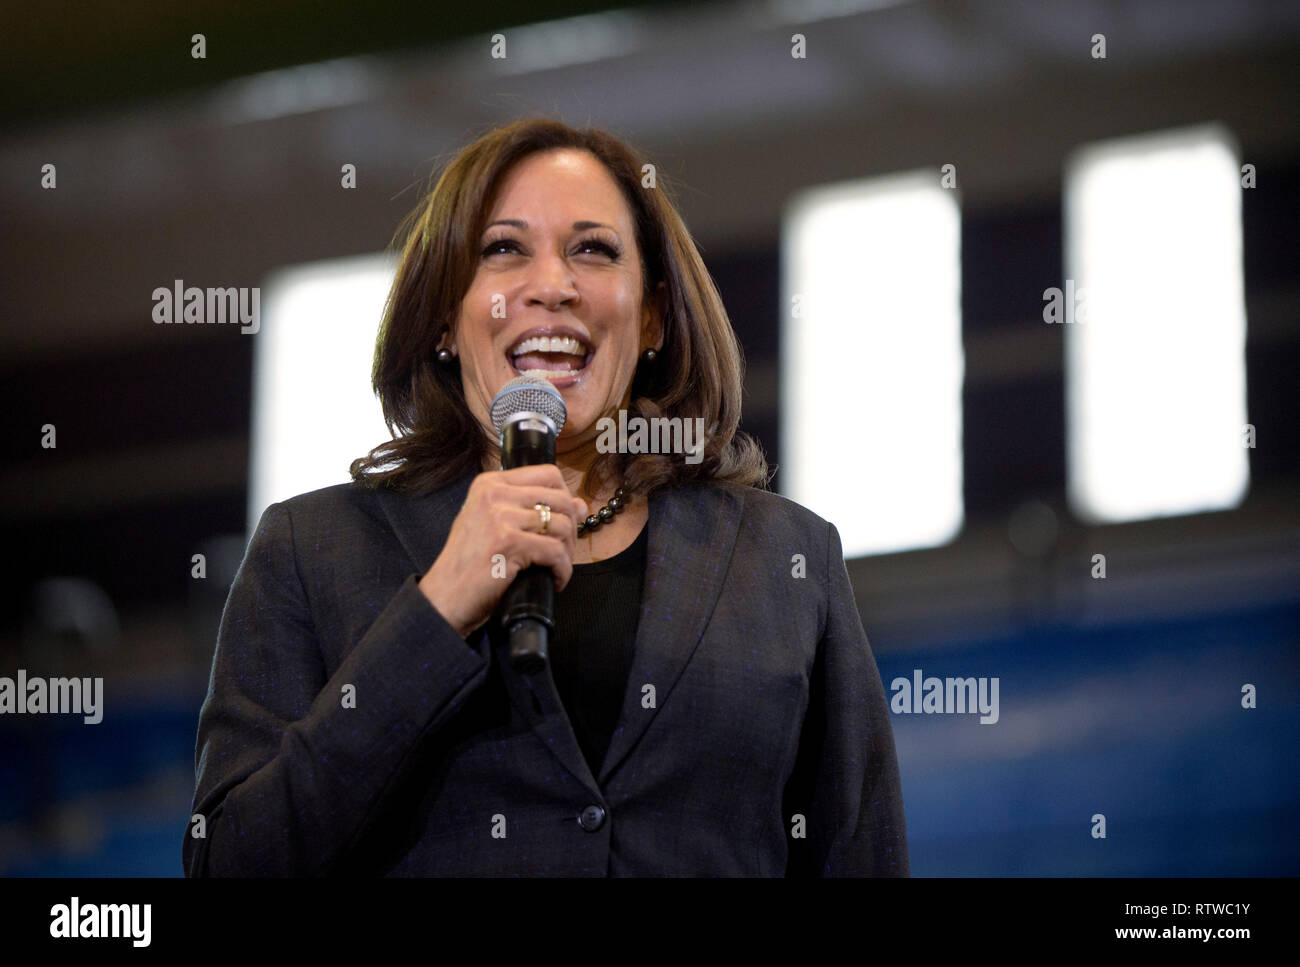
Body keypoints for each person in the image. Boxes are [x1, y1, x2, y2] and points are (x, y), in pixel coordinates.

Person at [183, 117, 909, 876]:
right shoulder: (312, 550)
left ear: (654, 313)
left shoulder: (789, 560)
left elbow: (862, 855)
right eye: (503, 250)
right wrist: (434, 613)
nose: (552, 286)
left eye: (593, 250)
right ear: (442, 317)